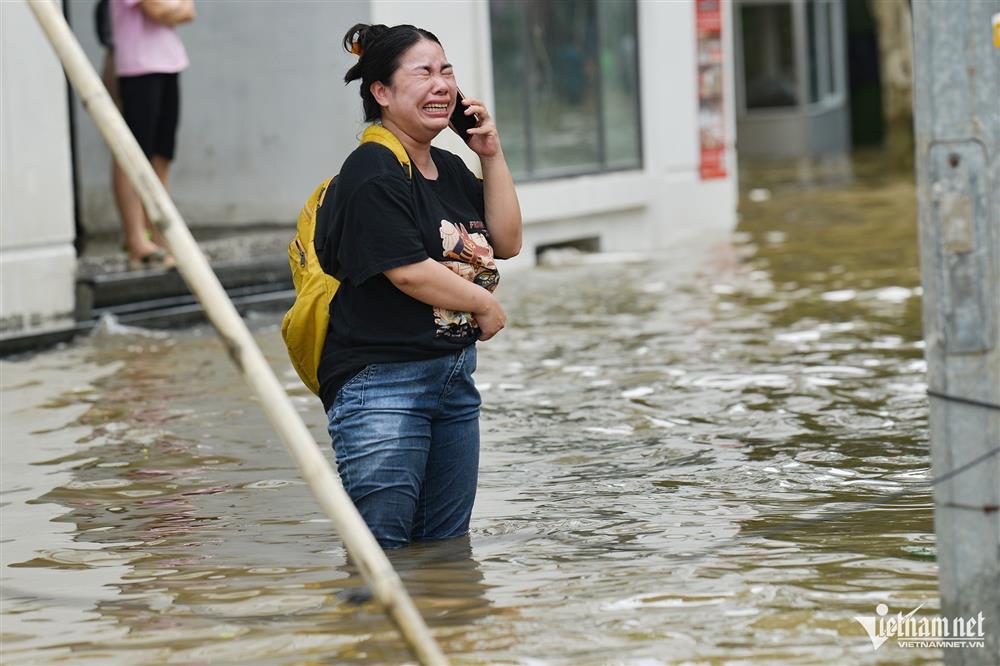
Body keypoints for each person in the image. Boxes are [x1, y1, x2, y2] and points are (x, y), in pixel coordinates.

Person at [318, 23, 522, 550]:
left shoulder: (449, 167)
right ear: (381, 93)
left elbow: (508, 240)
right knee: (380, 554)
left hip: (453, 382)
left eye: (447, 71)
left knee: (446, 553)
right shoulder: (372, 168)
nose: (441, 85)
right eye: (423, 73)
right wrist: (483, 303)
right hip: (382, 386)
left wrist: (491, 154)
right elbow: (405, 268)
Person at [109, 0, 195, 270]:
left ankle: (161, 239)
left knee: (162, 157)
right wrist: (174, 10)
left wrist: (173, 10)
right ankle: (136, 240)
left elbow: (189, 11)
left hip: (170, 63)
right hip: (137, 68)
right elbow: (155, 9)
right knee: (132, 156)